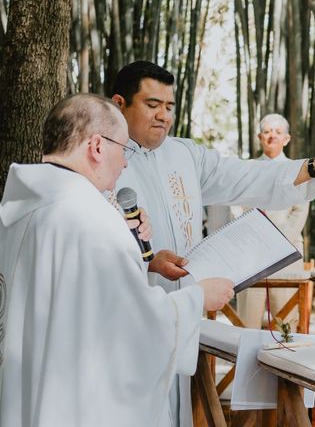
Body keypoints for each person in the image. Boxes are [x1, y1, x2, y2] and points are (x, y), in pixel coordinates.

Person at [108, 61, 315, 426]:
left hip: (186, 308)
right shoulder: (101, 158)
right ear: (119, 104)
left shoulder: (184, 154)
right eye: (151, 105)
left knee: (177, 408)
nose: (163, 115)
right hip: (133, 313)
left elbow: (241, 175)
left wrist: (311, 167)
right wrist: (146, 261)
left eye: (169, 106)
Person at [0, 94, 235, 426]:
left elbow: (78, 303)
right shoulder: (91, 219)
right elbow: (132, 326)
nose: (125, 163)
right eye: (124, 149)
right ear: (97, 146)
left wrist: (140, 256)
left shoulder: (18, 211)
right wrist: (198, 296)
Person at [236, 113, 309, 329]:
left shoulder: (298, 169)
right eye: (267, 132)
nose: (272, 137)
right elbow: (236, 206)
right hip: (251, 252)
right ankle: (245, 363)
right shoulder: (246, 168)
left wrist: (276, 241)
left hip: (286, 250)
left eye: (277, 132)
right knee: (247, 321)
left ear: (287, 139)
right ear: (259, 136)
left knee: (285, 321)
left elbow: (300, 209)